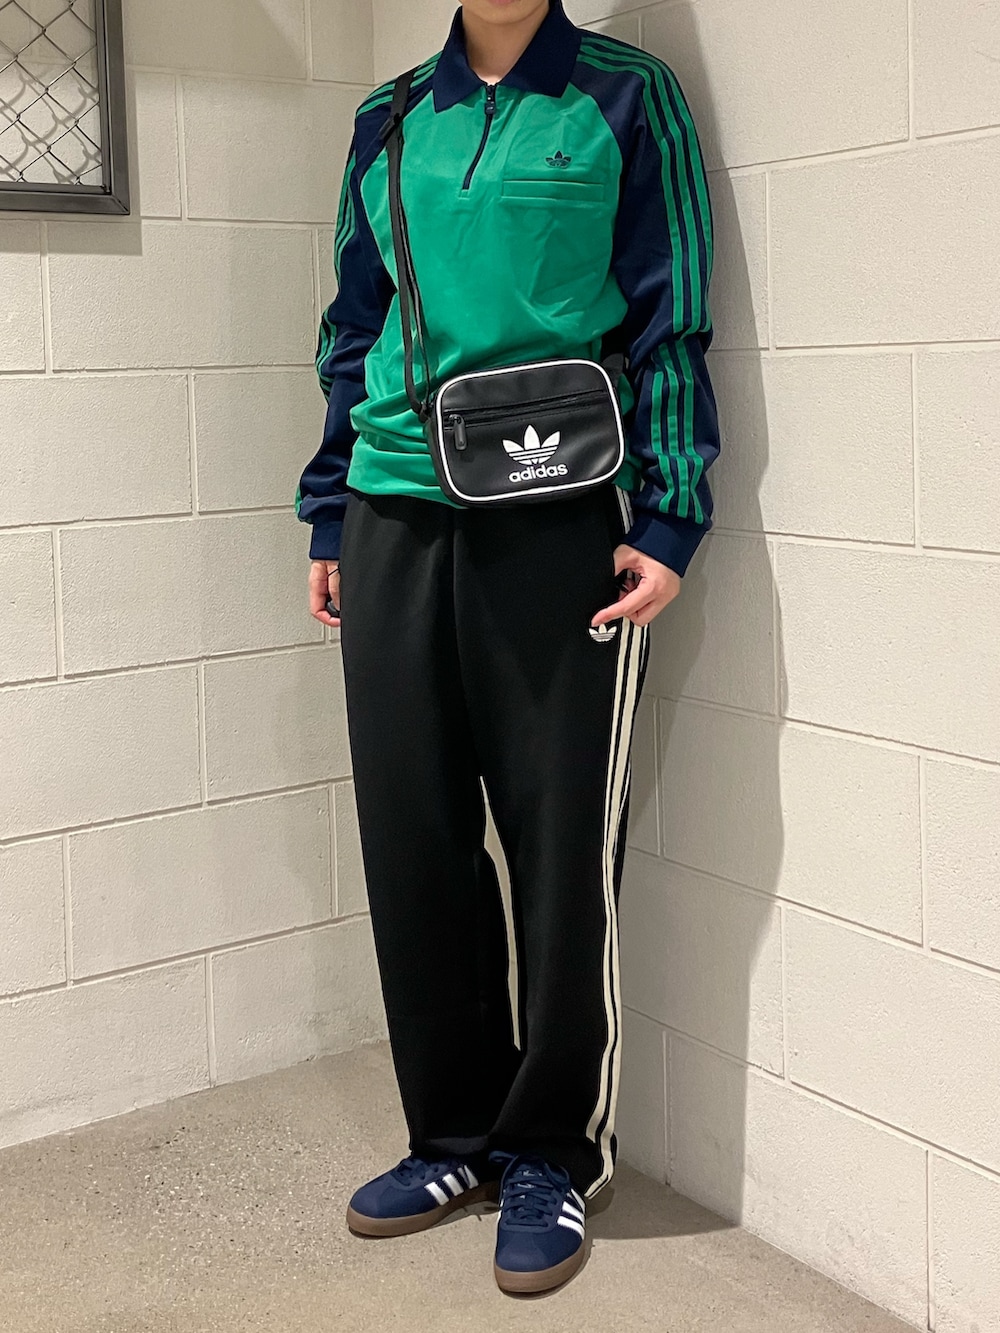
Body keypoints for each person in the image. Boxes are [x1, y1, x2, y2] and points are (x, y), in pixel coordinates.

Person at [295, 0, 718, 1295]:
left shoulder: (626, 97)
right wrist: (331, 508)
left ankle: (550, 1151)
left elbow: (670, 315)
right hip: (391, 511)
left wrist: (670, 513)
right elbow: (353, 324)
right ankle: (454, 1137)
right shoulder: (388, 119)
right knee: (413, 837)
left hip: (557, 518)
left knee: (559, 842)